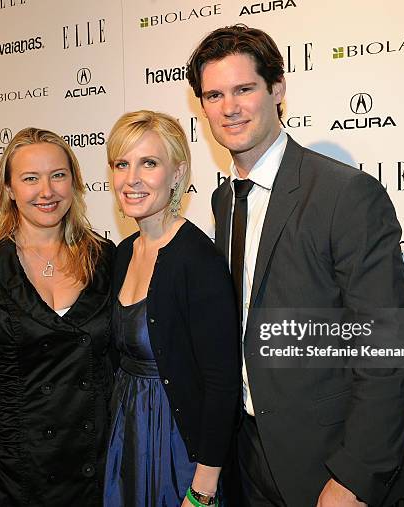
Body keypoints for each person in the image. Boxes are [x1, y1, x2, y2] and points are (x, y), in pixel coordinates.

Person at [186, 25, 404, 507]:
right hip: (248, 460)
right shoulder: (224, 200)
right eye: (213, 95)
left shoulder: (345, 195)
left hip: (331, 469)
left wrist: (354, 479)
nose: (229, 107)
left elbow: (388, 351)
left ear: (277, 89)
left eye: (244, 89)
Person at [0, 127, 114, 506]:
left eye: (58, 175)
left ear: (75, 182)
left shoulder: (104, 259)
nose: (46, 191)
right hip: (11, 476)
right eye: (30, 178)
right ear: (9, 189)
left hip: (94, 472)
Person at [103, 110, 240, 507]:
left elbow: (222, 383)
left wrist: (202, 490)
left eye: (149, 163)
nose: (132, 179)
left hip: (178, 448)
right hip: (126, 437)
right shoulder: (124, 252)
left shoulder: (198, 260)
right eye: (121, 164)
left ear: (177, 173)